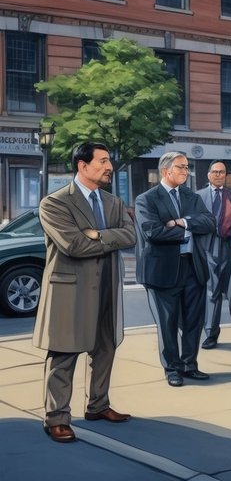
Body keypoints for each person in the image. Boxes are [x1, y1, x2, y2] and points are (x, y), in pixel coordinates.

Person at [33, 141, 138, 443]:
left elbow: (130, 236)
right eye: (103, 161)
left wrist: (97, 234)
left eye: (109, 161)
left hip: (107, 287)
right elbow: (74, 246)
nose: (109, 167)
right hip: (71, 291)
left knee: (105, 349)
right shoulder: (54, 203)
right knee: (64, 355)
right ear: (83, 165)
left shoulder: (113, 203)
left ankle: (98, 406)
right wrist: (108, 238)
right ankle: (56, 418)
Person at [135, 151, 216, 387]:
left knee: (193, 321)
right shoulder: (147, 199)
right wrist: (191, 229)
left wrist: (182, 223)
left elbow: (210, 222)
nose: (186, 171)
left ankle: (190, 365)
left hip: (193, 267)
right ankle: (172, 369)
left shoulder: (192, 196)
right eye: (180, 167)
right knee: (167, 323)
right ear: (165, 171)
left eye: (187, 167)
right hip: (162, 271)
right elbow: (153, 232)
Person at [198, 161, 231, 350]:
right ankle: (210, 333)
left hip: (229, 247)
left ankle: (225, 327)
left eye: (222, 172)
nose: (218, 175)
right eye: (215, 172)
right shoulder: (197, 197)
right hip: (207, 246)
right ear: (208, 175)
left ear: (226, 176)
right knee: (212, 289)